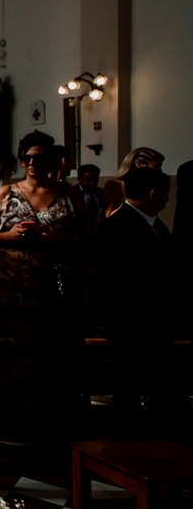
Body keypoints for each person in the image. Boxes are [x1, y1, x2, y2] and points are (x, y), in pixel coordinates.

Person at [92, 166, 177, 413]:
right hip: (131, 315)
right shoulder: (115, 227)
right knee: (129, 378)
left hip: (155, 315)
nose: (169, 198)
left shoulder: (156, 225)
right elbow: (111, 275)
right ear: (154, 194)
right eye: (167, 193)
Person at [0, 132, 83, 306]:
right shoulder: (6, 193)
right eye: (27, 158)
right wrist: (9, 235)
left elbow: (87, 235)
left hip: (55, 281)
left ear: (50, 160)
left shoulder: (67, 193)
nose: (32, 163)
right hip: (9, 282)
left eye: (39, 158)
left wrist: (58, 237)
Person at [102, 147, 164, 218]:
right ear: (139, 164)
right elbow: (109, 215)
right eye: (157, 166)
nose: (160, 170)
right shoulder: (115, 185)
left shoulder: (149, 187)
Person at [74, 163, 103, 227]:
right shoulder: (72, 192)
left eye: (95, 180)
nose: (92, 183)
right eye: (88, 180)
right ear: (79, 179)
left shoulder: (102, 192)